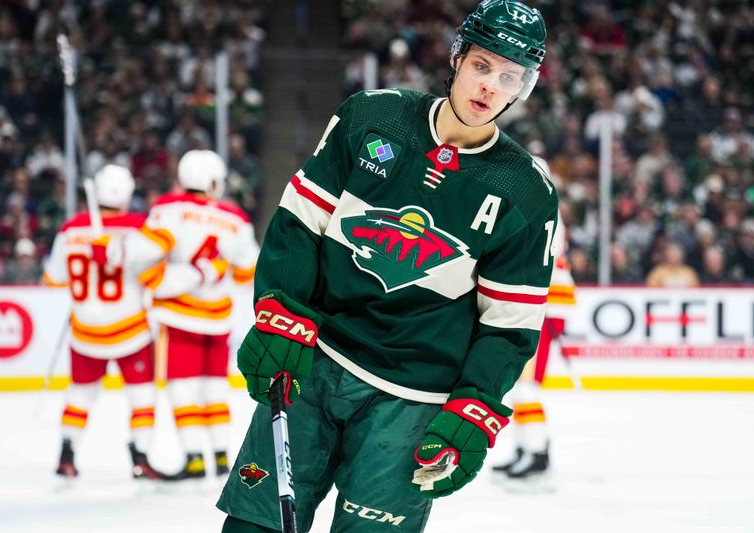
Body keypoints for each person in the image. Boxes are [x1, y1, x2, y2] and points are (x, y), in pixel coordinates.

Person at [218, 1, 558, 531]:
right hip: (314, 362)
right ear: (457, 58)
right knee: (253, 525)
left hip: (412, 402)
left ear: (523, 88)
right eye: (482, 65)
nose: (490, 86)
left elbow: (508, 326)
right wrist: (279, 313)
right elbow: (299, 226)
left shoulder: (525, 192)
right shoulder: (371, 117)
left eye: (509, 76)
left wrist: (474, 408)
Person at [105, 150, 260, 481]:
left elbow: (142, 253)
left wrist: (124, 253)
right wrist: (215, 273)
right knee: (216, 388)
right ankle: (220, 458)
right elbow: (249, 272)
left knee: (183, 388)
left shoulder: (169, 210)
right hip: (218, 318)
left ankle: (193, 459)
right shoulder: (236, 219)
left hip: (179, 316)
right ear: (212, 182)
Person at [43, 164, 170, 480]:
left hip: (85, 331)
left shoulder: (71, 229)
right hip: (131, 330)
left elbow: (53, 277)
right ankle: (140, 457)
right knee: (143, 396)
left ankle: (67, 454)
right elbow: (158, 262)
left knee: (80, 395)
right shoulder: (140, 228)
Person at [492, 159, 576, 479]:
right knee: (519, 387)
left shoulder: (542, 209)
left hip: (544, 307)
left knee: (526, 388)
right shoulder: (534, 207)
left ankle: (537, 452)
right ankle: (527, 449)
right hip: (535, 306)